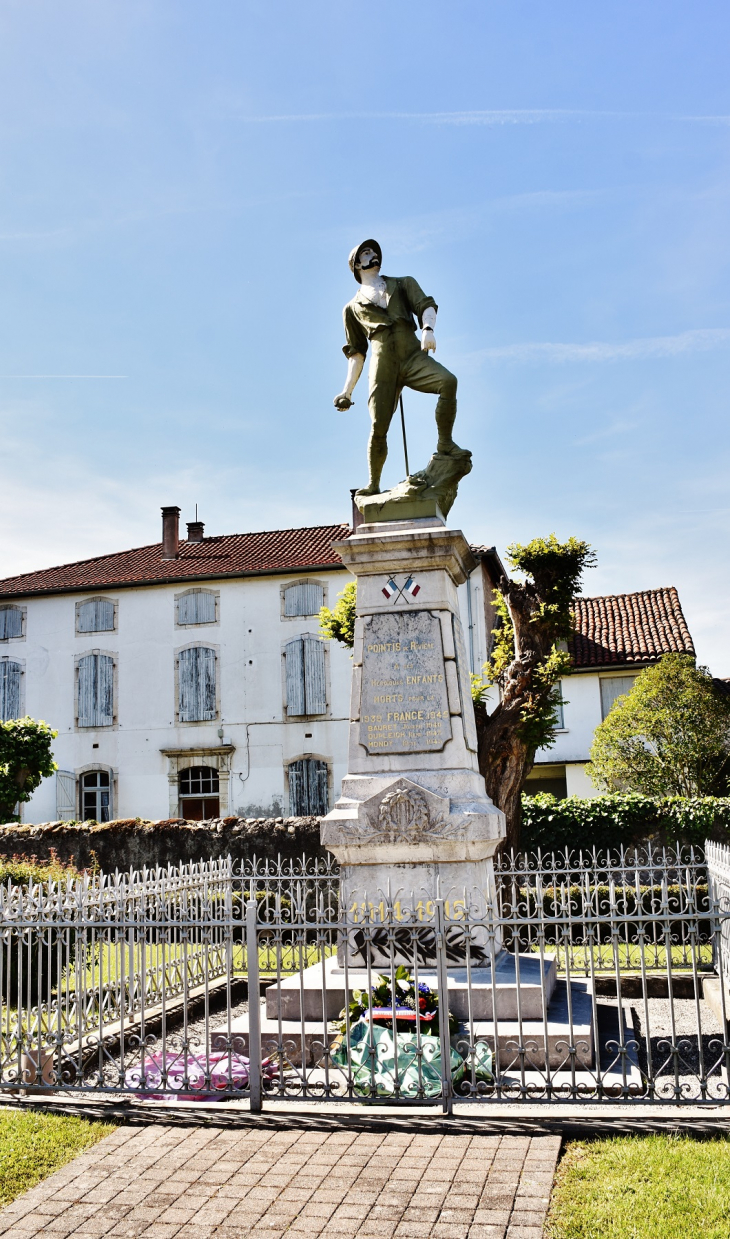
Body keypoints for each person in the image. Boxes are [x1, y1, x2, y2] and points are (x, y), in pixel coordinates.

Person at [334, 239, 465, 496]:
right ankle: (373, 483)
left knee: (448, 381)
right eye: (365, 252)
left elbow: (426, 304)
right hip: (382, 363)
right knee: (378, 425)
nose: (372, 254)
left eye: (373, 251)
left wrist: (428, 329)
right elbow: (357, 353)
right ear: (356, 264)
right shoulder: (351, 308)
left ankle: (445, 444)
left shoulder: (403, 283)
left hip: (411, 353)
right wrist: (347, 391)